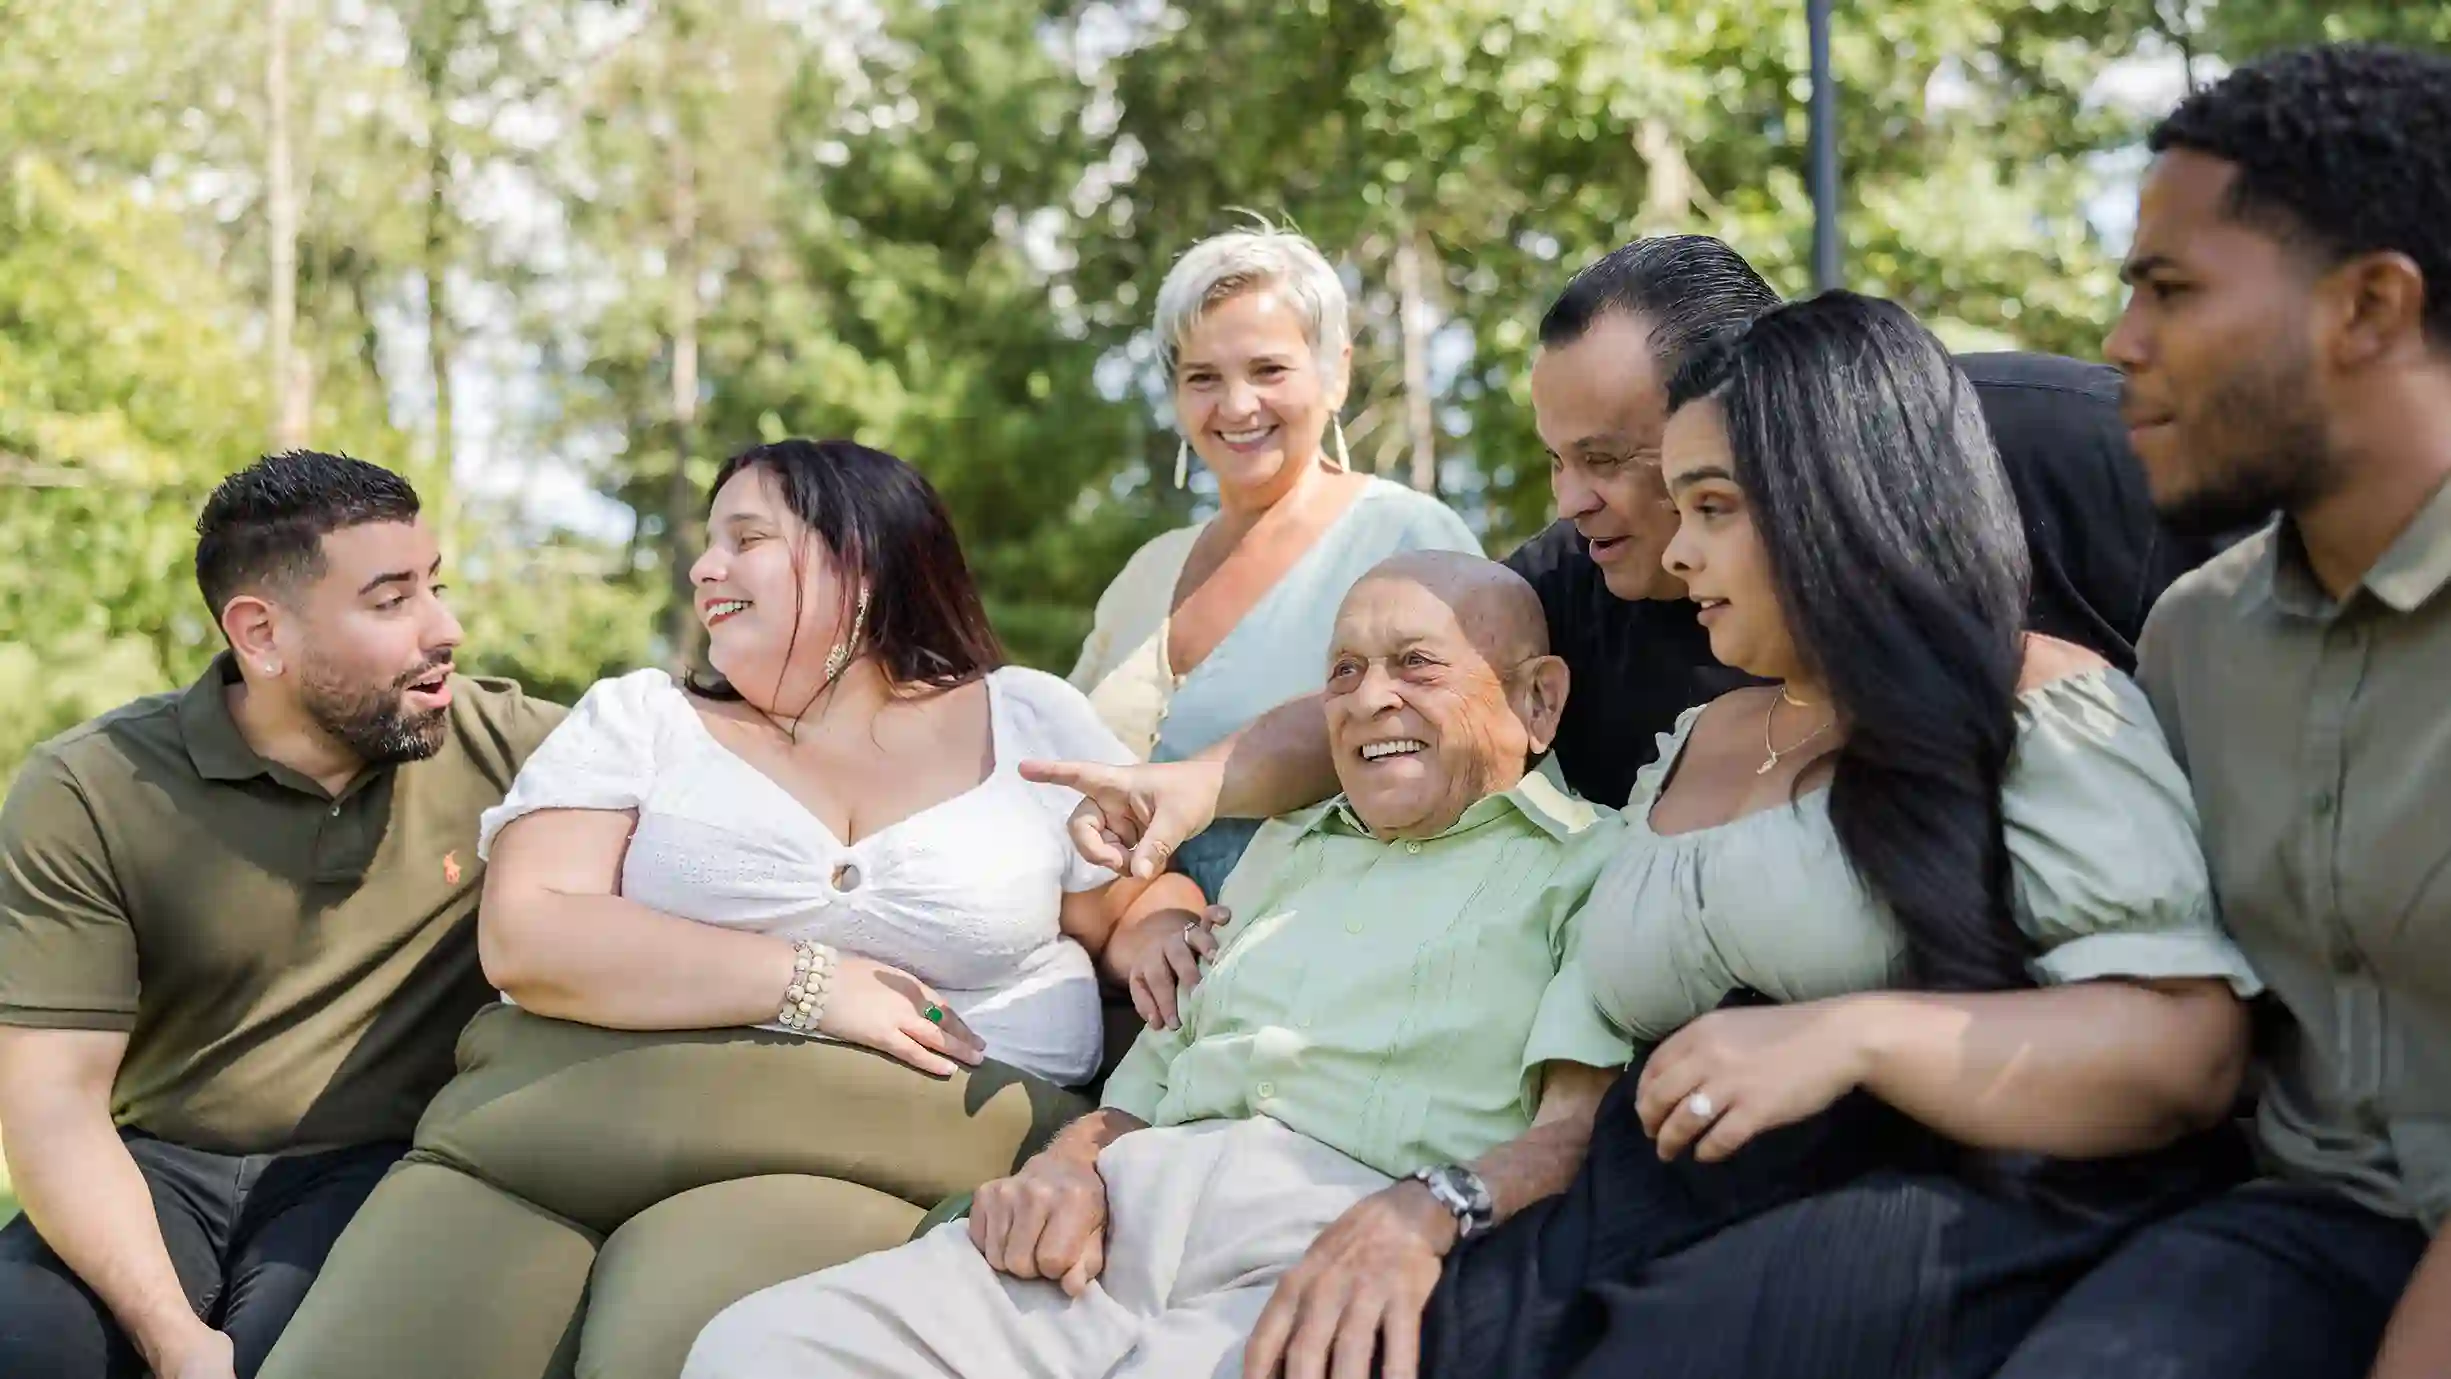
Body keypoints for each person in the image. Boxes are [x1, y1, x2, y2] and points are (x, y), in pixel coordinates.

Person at [1410, 290, 2262, 1379]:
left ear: (1838, 499)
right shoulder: (1691, 739)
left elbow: (2186, 1052)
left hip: (1909, 1206)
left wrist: (1851, 1034)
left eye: (1713, 507)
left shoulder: (2035, 701)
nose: (1679, 555)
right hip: (1627, 1215)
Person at [258, 439, 1208, 1379]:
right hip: (544, 1131)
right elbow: (529, 931)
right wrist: (812, 982)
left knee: (670, 1343)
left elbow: (1124, 895)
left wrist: (1162, 926)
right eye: (709, 542)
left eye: (745, 538)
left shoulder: (1024, 718)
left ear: (862, 560)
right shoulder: (642, 717)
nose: (705, 567)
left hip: (859, 1149)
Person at [1024, 234, 2215, 940]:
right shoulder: (1573, 582)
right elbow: (1407, 688)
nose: (1574, 499)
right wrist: (1189, 784)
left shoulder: (2048, 446)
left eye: (1608, 458)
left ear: (1743, 408)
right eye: (1553, 459)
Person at [680, 551, 1634, 1379]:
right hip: (1126, 1214)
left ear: (1536, 697)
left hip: (1339, 1235)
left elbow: (1571, 1136)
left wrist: (1425, 1215)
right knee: (761, 1345)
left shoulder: (1595, 866)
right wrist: (1066, 1166)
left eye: (1416, 664)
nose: (1367, 698)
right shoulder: (1285, 848)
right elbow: (1146, 1083)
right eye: (1343, 670)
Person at [1992, 44, 2451, 1379]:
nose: (2116, 343)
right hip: (2301, 1219)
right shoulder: (2194, 634)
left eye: (2166, 289)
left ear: (2365, 306)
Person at [0, 451, 564, 1379]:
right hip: (155, 1162)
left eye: (436, 585)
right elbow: (54, 1103)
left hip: (381, 1166)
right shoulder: (91, 787)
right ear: (260, 634)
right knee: (27, 1345)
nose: (445, 627)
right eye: (392, 602)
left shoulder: (521, 751)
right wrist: (178, 1344)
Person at [1069, 224, 1479, 897]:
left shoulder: (1408, 537)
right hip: (1127, 975)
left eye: (1268, 370)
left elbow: (1468, 750)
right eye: (1202, 377)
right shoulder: (1146, 570)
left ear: (1335, 372)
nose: (1235, 405)